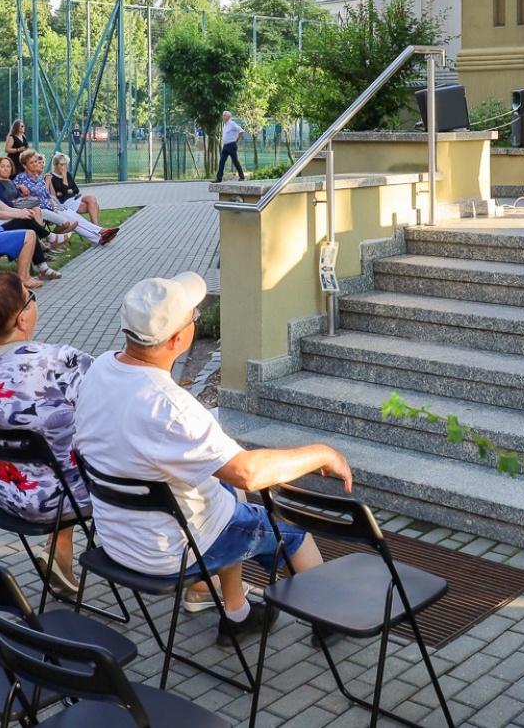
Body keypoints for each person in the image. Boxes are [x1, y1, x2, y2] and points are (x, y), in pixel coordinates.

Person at [74, 271, 350, 642]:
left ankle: (235, 614)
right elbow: (249, 473)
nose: (195, 322)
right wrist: (322, 452)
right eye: (194, 318)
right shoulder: (170, 408)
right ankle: (329, 619)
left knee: (227, 497)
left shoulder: (99, 369)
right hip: (171, 552)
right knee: (292, 533)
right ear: (178, 339)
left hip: (118, 539)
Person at [0, 274, 90, 594]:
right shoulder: (56, 361)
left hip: (1, 488)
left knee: (57, 454)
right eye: (31, 297)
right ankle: (183, 571)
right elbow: (114, 399)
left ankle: (59, 554)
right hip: (60, 497)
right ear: (22, 317)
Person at [17, 150, 115, 245]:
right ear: (25, 165)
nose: (38, 164)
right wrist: (20, 186)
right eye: (33, 162)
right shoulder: (22, 178)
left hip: (54, 206)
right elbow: (13, 190)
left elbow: (49, 195)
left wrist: (55, 206)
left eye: (38, 162)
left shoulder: (39, 179)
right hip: (41, 209)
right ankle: (100, 232)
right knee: (74, 220)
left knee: (77, 219)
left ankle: (99, 237)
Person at [49, 151, 101, 224]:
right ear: (55, 165)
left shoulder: (67, 174)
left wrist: (67, 191)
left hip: (74, 198)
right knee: (94, 206)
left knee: (92, 197)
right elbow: (64, 191)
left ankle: (97, 229)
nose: (64, 167)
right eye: (61, 164)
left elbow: (76, 190)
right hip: (64, 203)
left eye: (65, 164)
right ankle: (98, 230)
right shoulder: (52, 177)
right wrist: (64, 177)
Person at [217, 110, 246, 183]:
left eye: (225, 115)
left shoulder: (232, 124)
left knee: (235, 161)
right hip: (225, 146)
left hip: (231, 145)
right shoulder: (225, 124)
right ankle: (219, 178)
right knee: (222, 161)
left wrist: (237, 139)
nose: (223, 117)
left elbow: (241, 131)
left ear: (229, 116)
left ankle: (242, 177)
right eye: (223, 115)